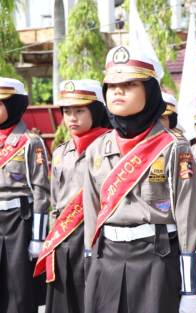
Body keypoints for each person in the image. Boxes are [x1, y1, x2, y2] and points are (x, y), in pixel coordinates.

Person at [83, 45, 196, 313]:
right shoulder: (98, 149)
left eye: (129, 84)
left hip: (156, 259)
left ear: (149, 91)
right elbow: (91, 211)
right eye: (112, 84)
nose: (117, 90)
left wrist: (192, 287)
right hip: (106, 258)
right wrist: (90, 262)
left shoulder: (174, 147)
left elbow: (189, 219)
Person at [34, 79, 110, 313]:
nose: (72, 118)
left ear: (96, 111)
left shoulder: (109, 147)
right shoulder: (60, 152)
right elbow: (55, 199)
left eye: (79, 111)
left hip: (97, 235)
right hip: (65, 236)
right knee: (64, 300)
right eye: (67, 112)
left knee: (93, 298)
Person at [0, 77, 50, 313]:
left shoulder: (30, 142)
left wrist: (38, 238)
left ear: (14, 106)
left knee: (18, 285)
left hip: (19, 220)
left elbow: (41, 190)